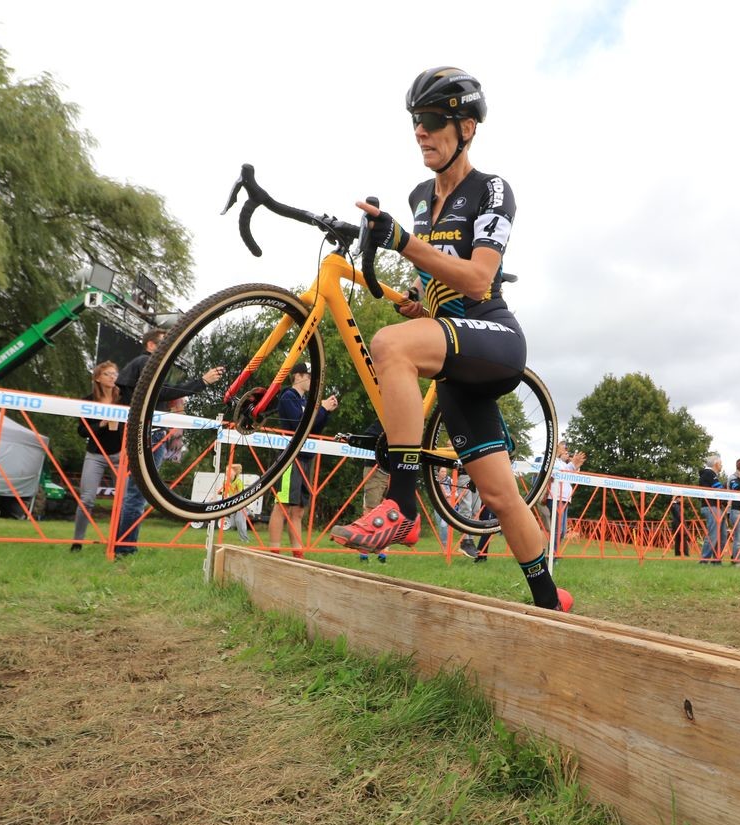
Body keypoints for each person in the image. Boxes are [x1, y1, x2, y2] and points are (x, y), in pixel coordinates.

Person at [330, 67, 572, 612]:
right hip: (453, 353)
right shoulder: (419, 195)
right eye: (417, 121)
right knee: (499, 494)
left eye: (434, 120)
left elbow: (477, 278)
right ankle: (550, 599)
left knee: (390, 344)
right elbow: (433, 281)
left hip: (495, 338)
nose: (421, 131)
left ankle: (402, 505)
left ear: (467, 127)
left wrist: (401, 241)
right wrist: (419, 301)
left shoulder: (491, 189)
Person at [113, 328, 223, 556]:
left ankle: (124, 544)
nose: (169, 347)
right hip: (148, 433)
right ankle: (124, 548)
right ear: (151, 345)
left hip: (150, 432)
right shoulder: (145, 362)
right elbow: (161, 393)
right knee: (137, 492)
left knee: (137, 492)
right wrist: (201, 382)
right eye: (165, 343)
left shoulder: (143, 365)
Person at [267, 362, 337, 559]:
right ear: (297, 376)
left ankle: (298, 552)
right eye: (308, 376)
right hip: (290, 456)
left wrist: (326, 411)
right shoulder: (288, 396)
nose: (312, 381)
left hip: (306, 455)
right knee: (282, 504)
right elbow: (300, 423)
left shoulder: (307, 401)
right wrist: (320, 408)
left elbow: (314, 428)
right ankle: (274, 551)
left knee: (298, 509)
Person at [71, 362, 124, 552]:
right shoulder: (88, 400)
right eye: (108, 374)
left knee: (125, 498)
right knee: (87, 499)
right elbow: (81, 430)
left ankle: (119, 543)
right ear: (98, 378)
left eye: (114, 373)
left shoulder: (123, 399)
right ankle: (77, 542)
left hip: (120, 453)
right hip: (95, 454)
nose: (112, 377)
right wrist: (101, 423)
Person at [544, 440, 585, 559]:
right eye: (564, 448)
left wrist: (576, 466)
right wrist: (572, 465)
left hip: (565, 498)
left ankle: (553, 553)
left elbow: (572, 479)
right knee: (557, 530)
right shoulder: (553, 461)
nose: (566, 451)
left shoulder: (563, 464)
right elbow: (556, 473)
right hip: (556, 497)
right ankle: (552, 555)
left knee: (561, 531)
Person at [357, 420, 390, 564]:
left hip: (392, 471)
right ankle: (364, 551)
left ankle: (383, 551)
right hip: (375, 469)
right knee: (370, 510)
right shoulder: (381, 421)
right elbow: (368, 438)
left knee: (390, 510)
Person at [698, 453, 727, 565]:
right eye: (720, 463)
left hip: (716, 507)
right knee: (714, 534)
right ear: (716, 464)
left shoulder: (708, 474)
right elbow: (718, 488)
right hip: (711, 506)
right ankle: (704, 560)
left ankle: (716, 559)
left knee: (722, 535)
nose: (722, 466)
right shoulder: (709, 473)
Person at [216, 462, 253, 543]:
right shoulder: (225, 482)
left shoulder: (238, 481)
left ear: (235, 473)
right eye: (226, 471)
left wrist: (234, 496)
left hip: (240, 504)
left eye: (229, 471)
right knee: (233, 524)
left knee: (239, 521)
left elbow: (240, 492)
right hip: (233, 504)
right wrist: (220, 493)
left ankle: (245, 539)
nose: (227, 473)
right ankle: (248, 511)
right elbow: (225, 492)